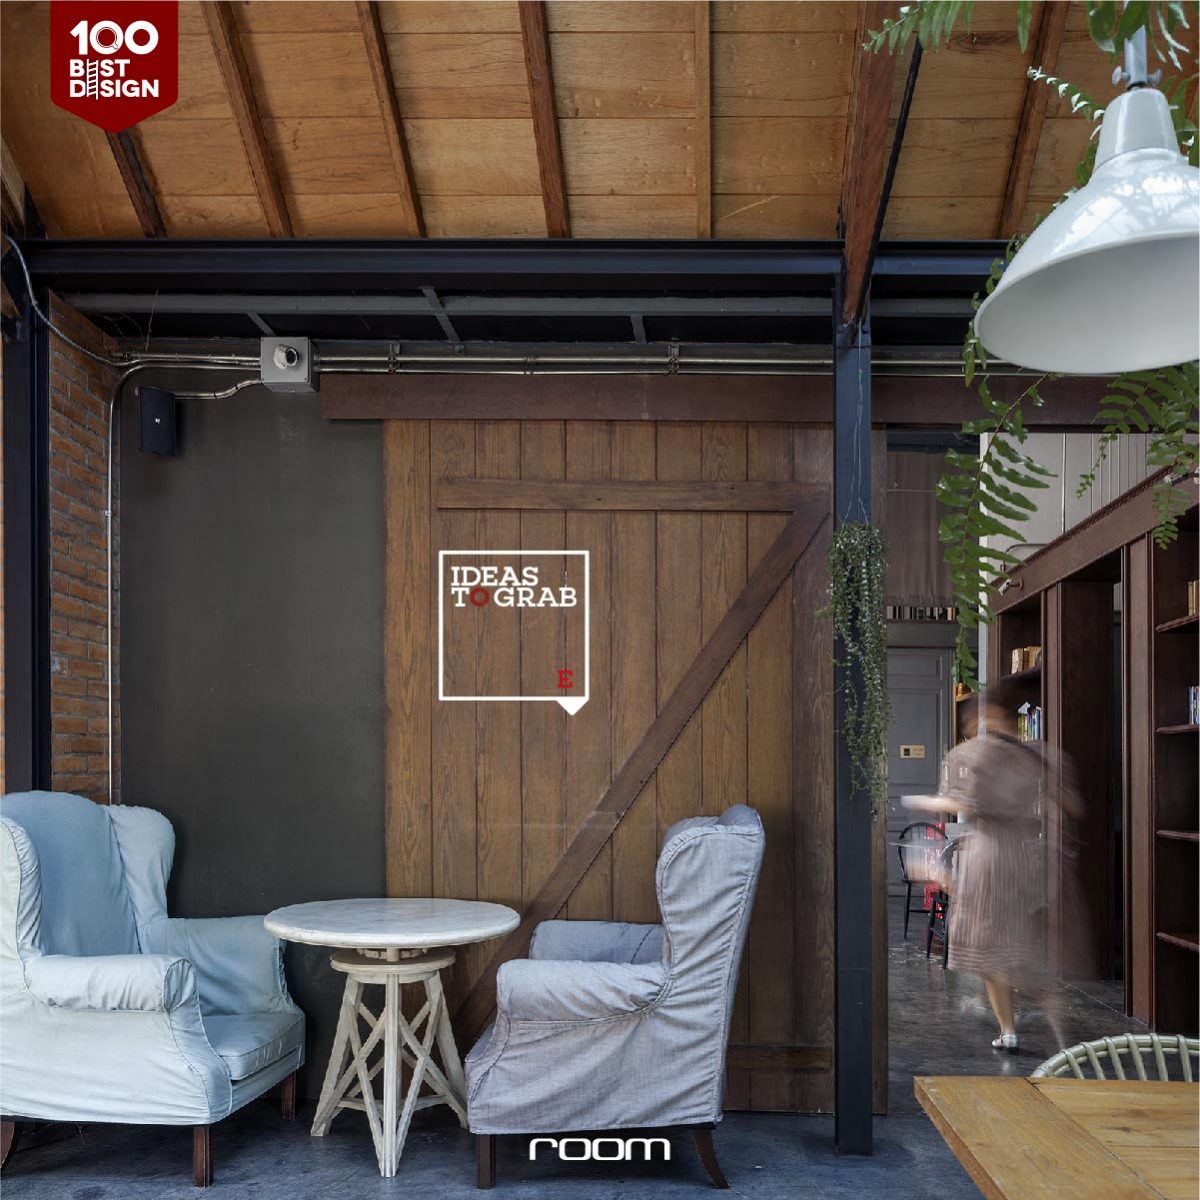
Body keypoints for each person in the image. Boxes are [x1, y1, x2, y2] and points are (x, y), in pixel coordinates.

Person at [915, 686, 1078, 1054]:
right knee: (1011, 940)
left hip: (986, 855)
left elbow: (958, 802)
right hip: (1021, 854)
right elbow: (1066, 802)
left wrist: (923, 800)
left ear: (978, 720)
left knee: (986, 947)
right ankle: (1035, 1017)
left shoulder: (971, 755)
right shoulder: (1035, 755)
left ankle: (1009, 1028)